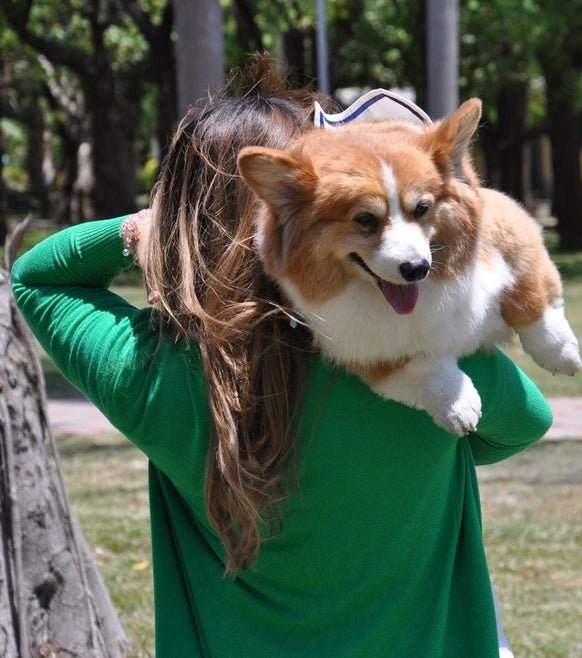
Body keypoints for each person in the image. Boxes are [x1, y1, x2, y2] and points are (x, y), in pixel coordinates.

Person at [11, 54, 552, 657]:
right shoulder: (422, 353)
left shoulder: (152, 372)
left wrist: (142, 230)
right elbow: (526, 422)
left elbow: (37, 278)